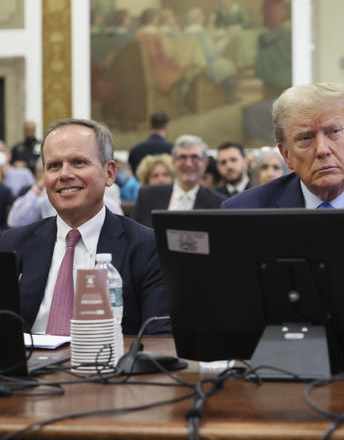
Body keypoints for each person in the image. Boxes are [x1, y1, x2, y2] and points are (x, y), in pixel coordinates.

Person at [0, 118, 170, 335]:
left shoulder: (148, 247)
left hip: (109, 365)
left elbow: (159, 339)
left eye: (78, 162)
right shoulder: (10, 246)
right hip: (28, 367)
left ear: (109, 173)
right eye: (54, 166)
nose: (64, 174)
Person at [133, 135, 226, 228]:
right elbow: (135, 234)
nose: (188, 164)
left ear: (205, 163)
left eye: (194, 157)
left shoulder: (219, 204)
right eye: (182, 157)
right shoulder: (148, 196)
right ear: (173, 162)